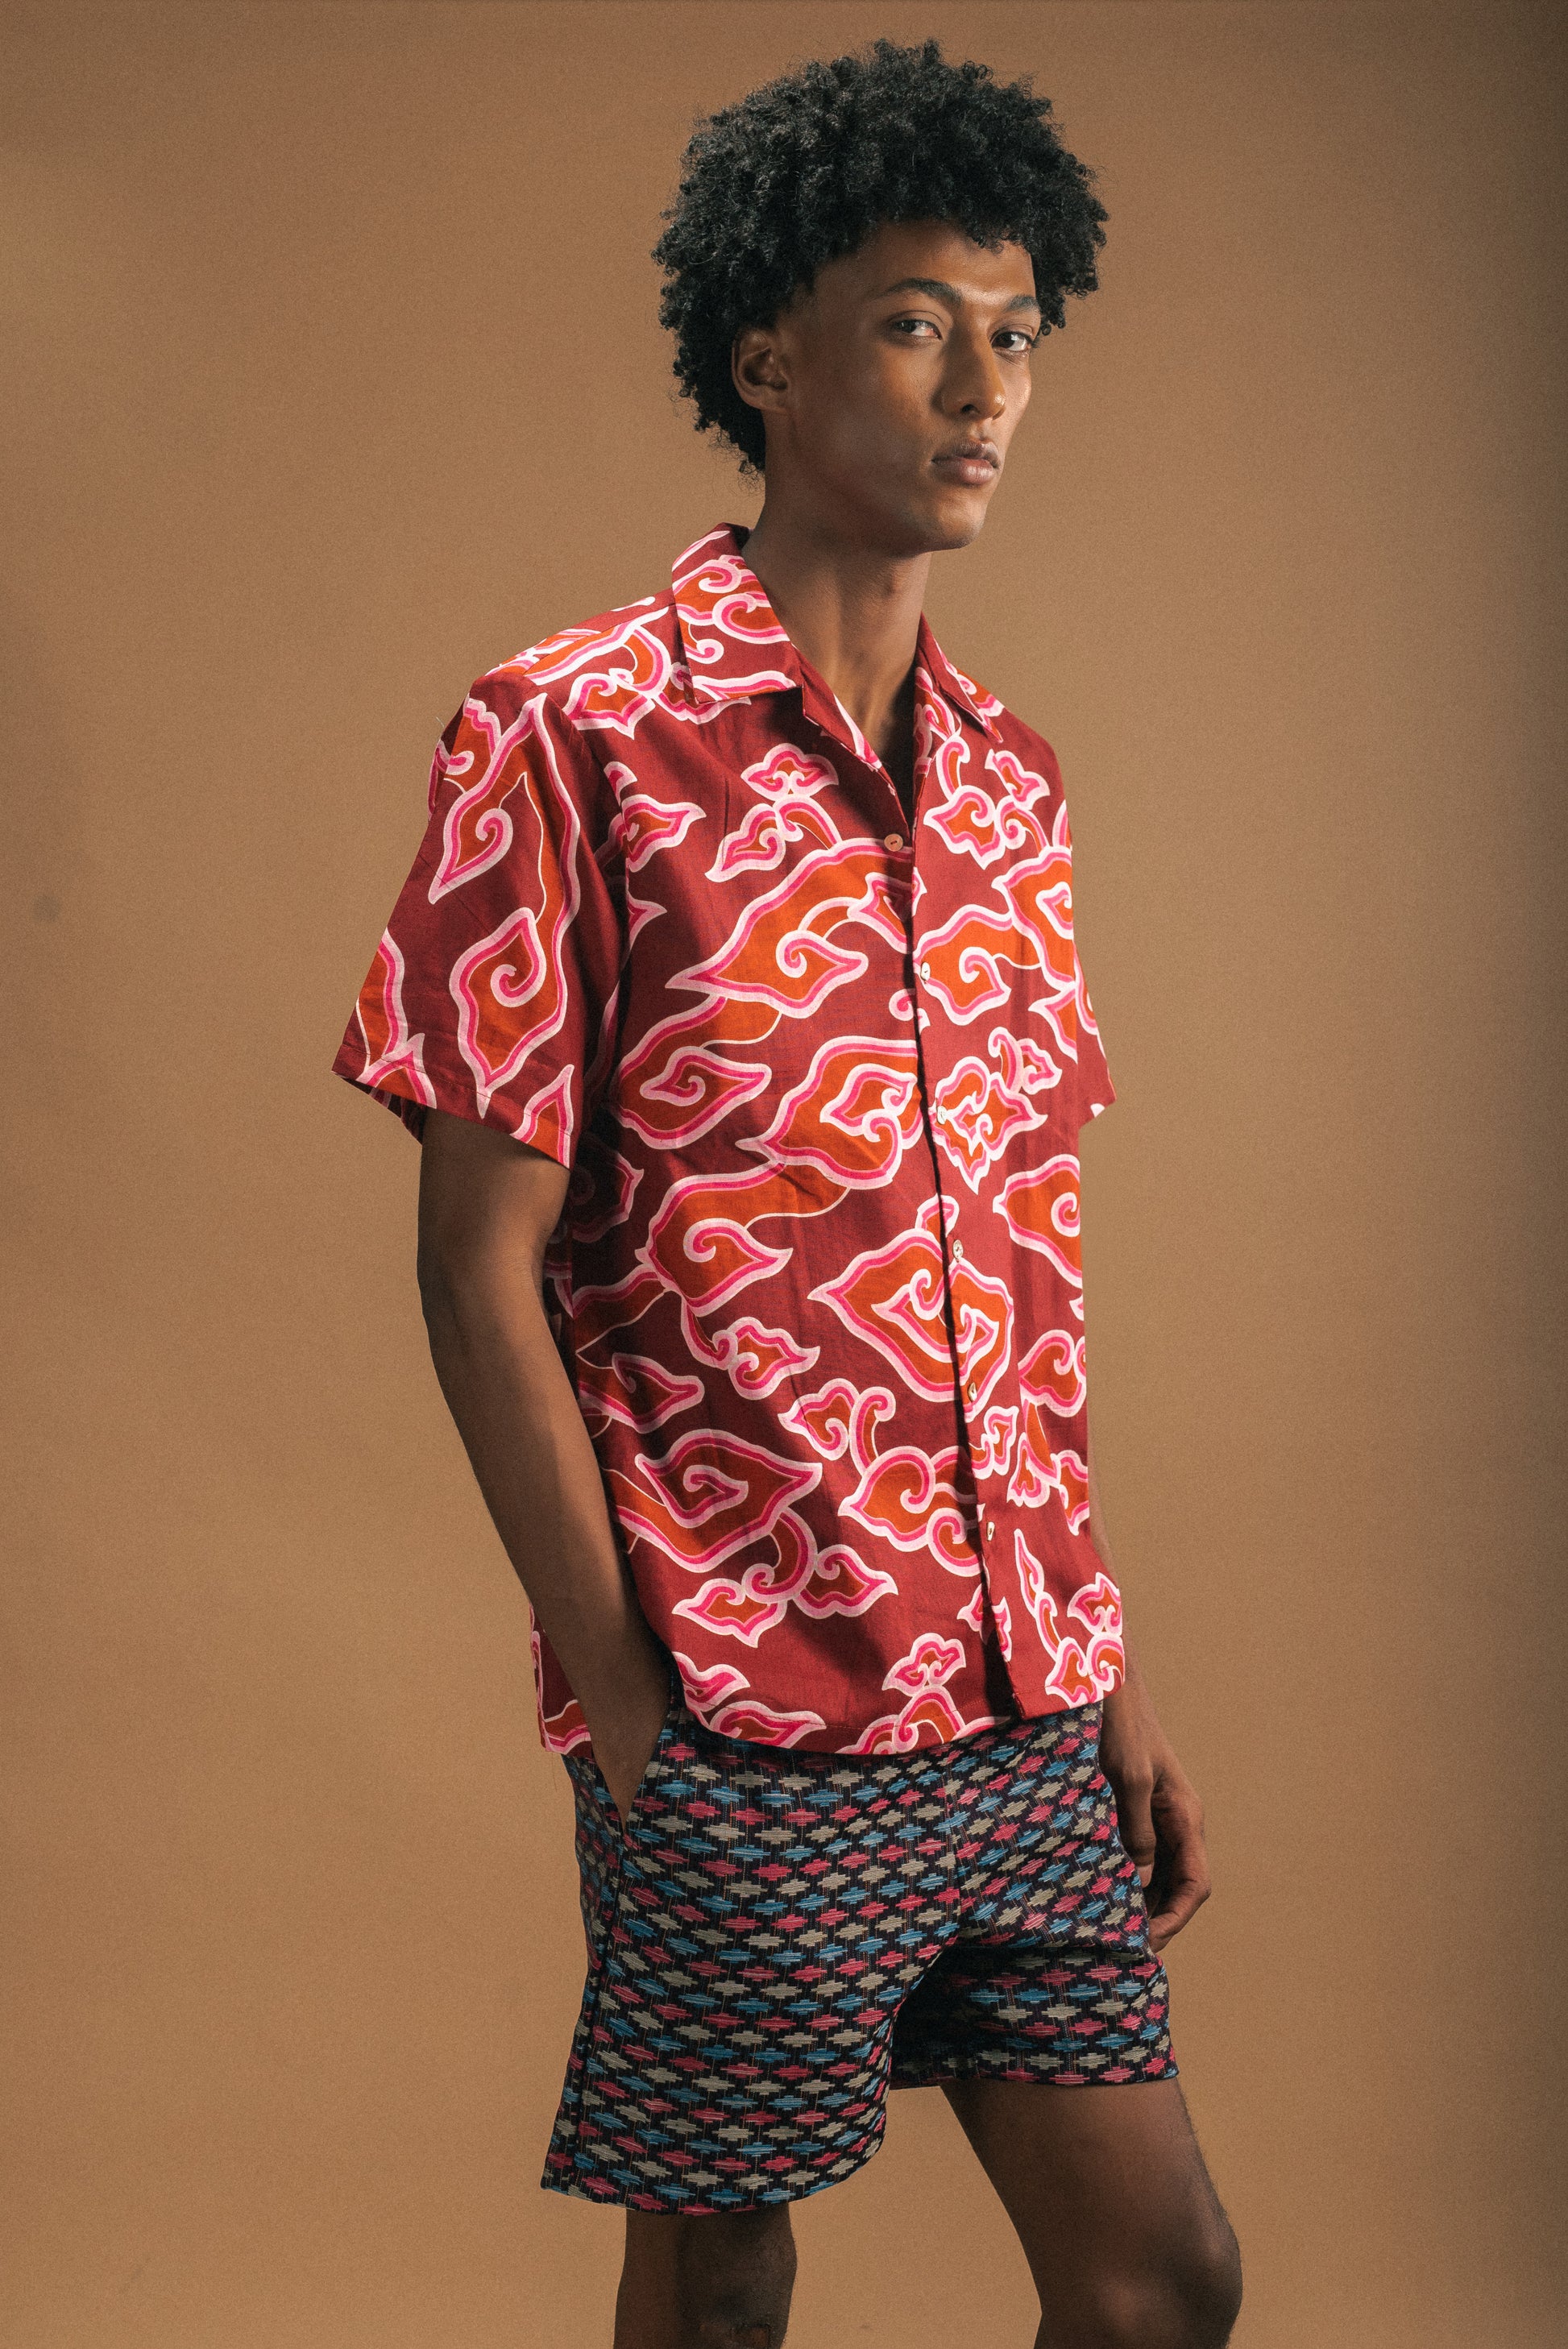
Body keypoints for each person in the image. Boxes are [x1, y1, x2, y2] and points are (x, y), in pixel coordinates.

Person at [332, 38, 1242, 2349]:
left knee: (1161, 2285)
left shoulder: (1014, 787)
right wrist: (631, 1711)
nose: (984, 388)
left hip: (1019, 1696)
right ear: (767, 355)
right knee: (723, 2293)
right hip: (742, 1699)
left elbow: (1005, 1270)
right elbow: (475, 1272)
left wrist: (1101, 1657)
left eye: (1015, 332)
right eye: (918, 324)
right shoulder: (568, 735)